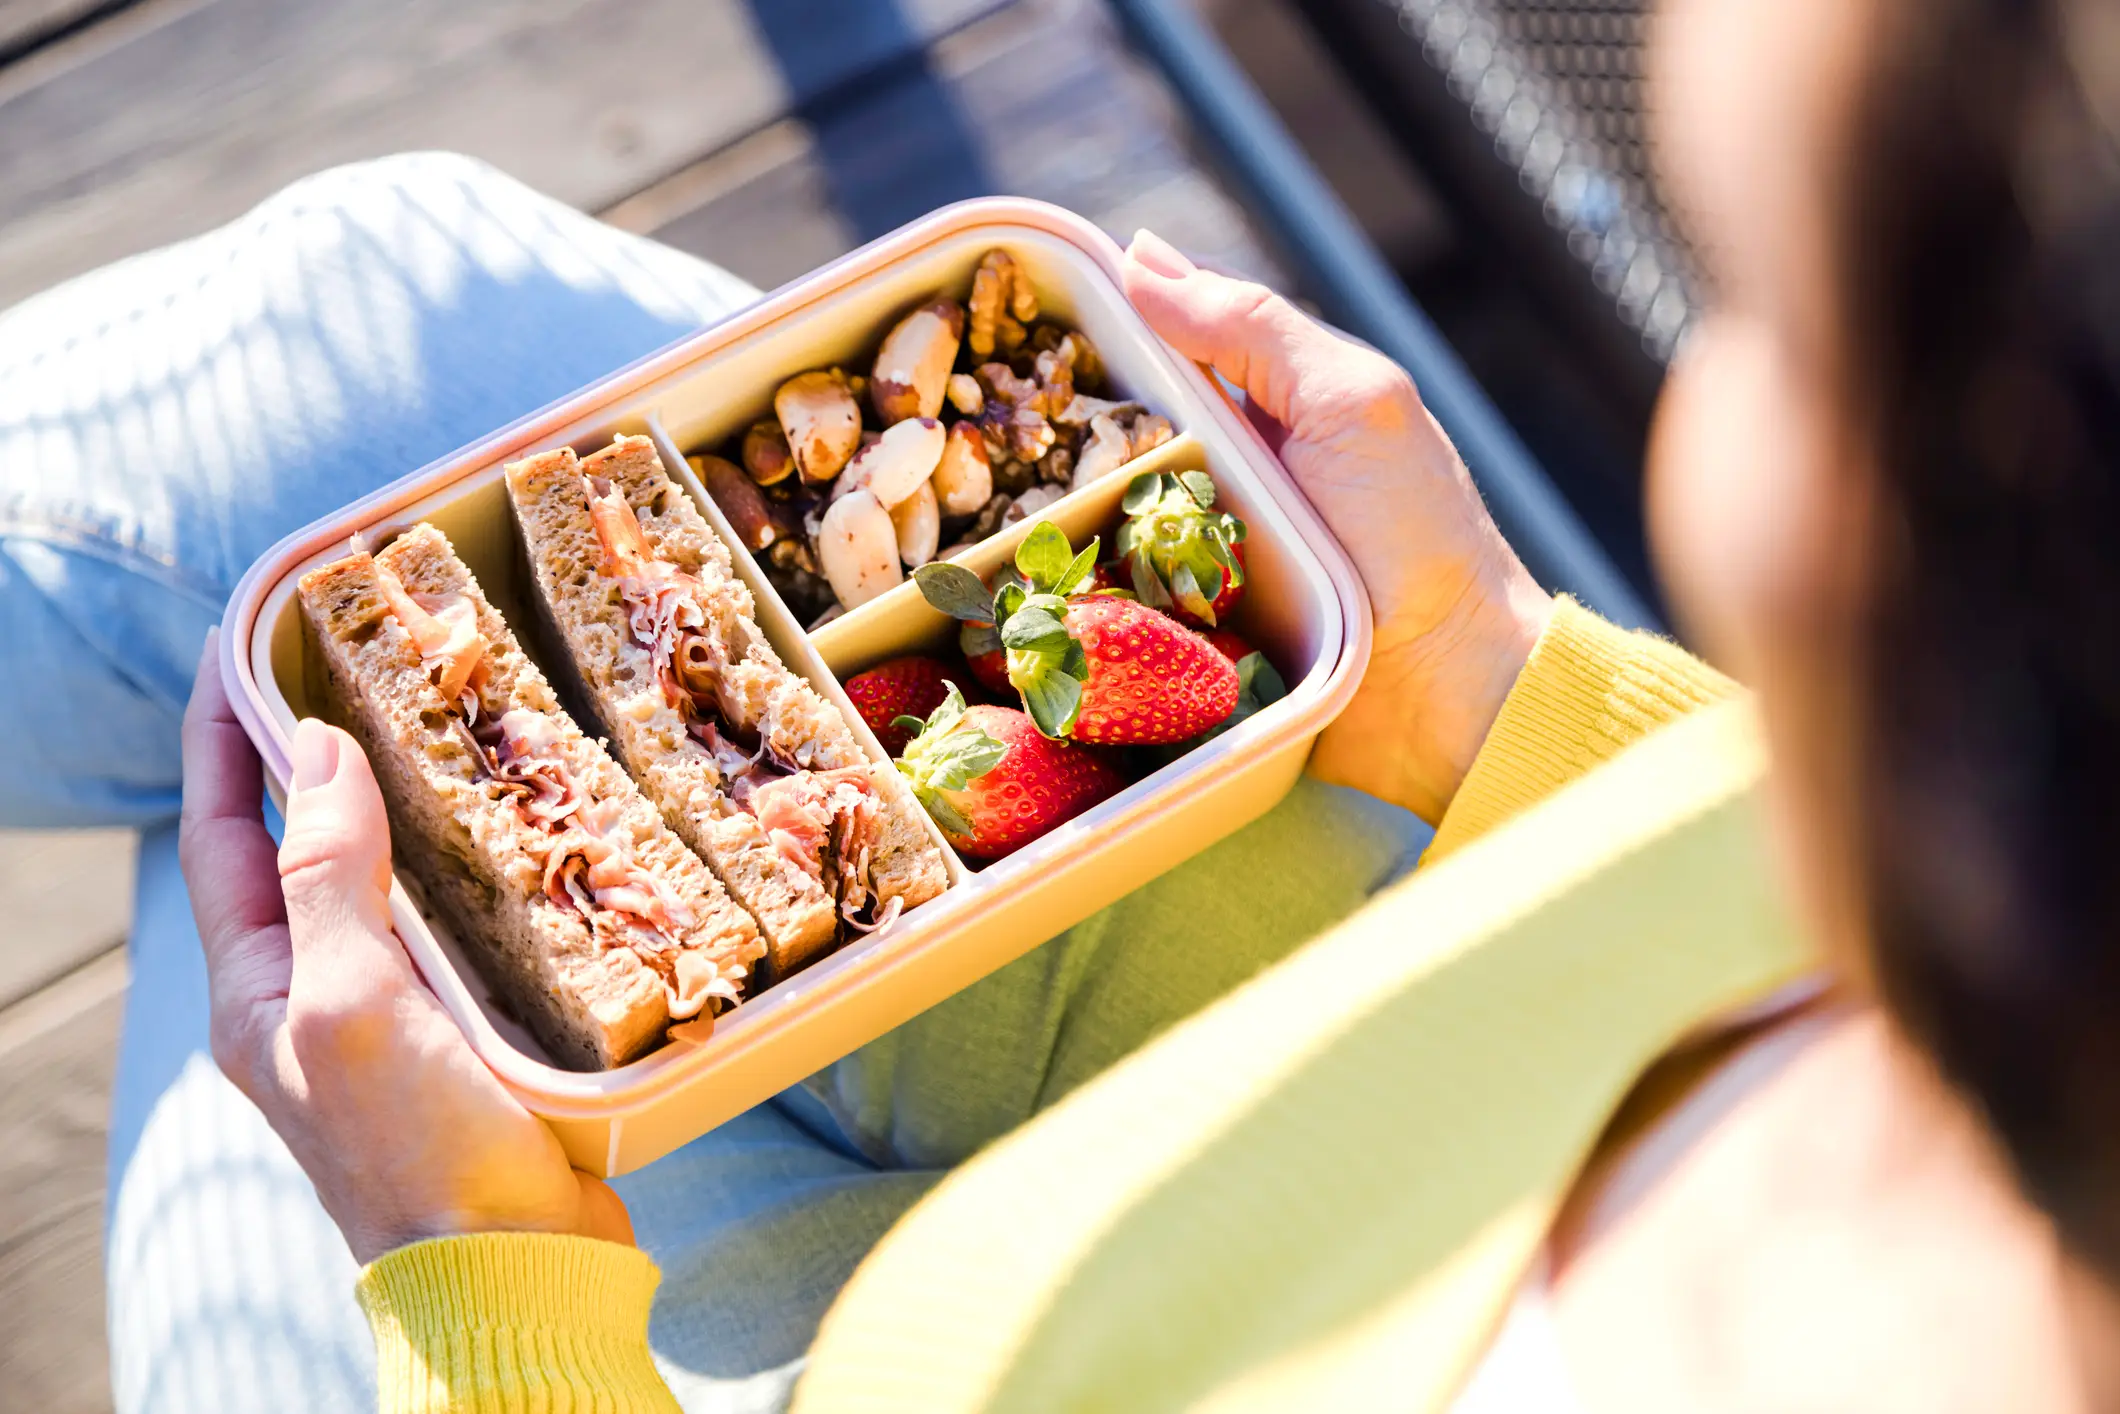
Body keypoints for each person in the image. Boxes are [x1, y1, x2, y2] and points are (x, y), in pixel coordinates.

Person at [18, 0, 2113, 1405]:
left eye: (1765, 322)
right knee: (380, 331)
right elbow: (1728, 863)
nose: (1697, 428)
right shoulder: (1960, 941)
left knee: (256, 963)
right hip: (1367, 1057)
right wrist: (1498, 702)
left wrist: (473, 1275)